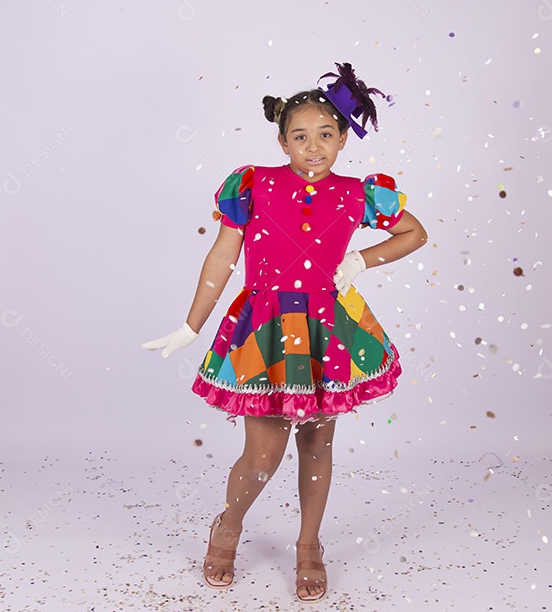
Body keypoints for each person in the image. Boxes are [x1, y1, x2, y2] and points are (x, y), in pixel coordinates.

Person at [143, 62, 428, 602]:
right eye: (300, 136)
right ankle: (229, 524)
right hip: (268, 331)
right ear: (282, 139)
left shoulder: (357, 193)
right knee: (263, 455)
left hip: (327, 328)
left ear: (343, 138)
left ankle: (309, 544)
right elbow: (224, 255)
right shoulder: (254, 184)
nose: (313, 147)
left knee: (318, 446)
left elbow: (415, 232)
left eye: (325, 135)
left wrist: (362, 261)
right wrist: (190, 324)